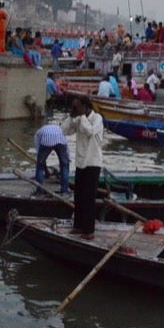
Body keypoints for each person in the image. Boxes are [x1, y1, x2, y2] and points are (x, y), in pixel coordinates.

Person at [60, 97, 104, 239]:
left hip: (92, 162)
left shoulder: (97, 118)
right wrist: (71, 115)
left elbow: (89, 131)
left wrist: (82, 116)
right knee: (78, 196)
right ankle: (78, 225)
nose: (76, 109)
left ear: (85, 107)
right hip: (80, 162)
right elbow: (64, 130)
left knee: (88, 198)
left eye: (78, 107)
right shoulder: (79, 118)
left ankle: (88, 230)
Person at [33, 119, 70, 195]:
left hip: (46, 140)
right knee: (64, 166)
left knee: (39, 167)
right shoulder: (60, 129)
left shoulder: (39, 131)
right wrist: (68, 159)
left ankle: (39, 191)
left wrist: (40, 160)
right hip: (60, 140)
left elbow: (37, 147)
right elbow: (66, 146)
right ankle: (64, 191)